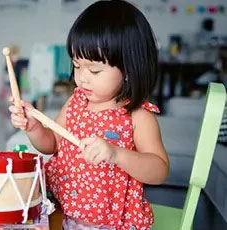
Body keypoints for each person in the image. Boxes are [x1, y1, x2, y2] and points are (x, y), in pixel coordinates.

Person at [9, 1, 169, 229]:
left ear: (128, 70)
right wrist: (34, 127)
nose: (82, 77)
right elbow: (52, 144)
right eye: (76, 65)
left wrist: (116, 155)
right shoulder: (76, 102)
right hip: (62, 211)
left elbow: (159, 170)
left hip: (112, 223)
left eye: (94, 70)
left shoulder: (137, 116)